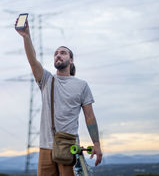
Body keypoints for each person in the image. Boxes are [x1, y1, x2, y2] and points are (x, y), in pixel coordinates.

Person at [15, 17, 102, 176]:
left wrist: (97, 144)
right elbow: (33, 61)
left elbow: (90, 117)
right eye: (56, 53)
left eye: (63, 53)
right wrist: (26, 36)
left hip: (68, 147)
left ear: (71, 60)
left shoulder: (82, 85)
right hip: (45, 147)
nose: (58, 55)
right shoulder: (47, 80)